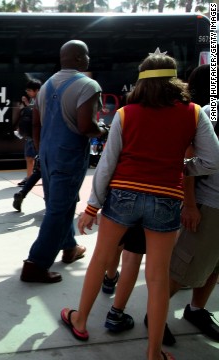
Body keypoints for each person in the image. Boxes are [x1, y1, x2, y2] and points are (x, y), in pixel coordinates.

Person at [62, 52, 219, 360]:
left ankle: (80, 320)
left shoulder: (126, 113)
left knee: (100, 259)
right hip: (167, 197)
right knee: (158, 278)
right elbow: (212, 160)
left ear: (141, 82)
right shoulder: (194, 113)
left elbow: (107, 165)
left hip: (124, 195)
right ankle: (153, 352)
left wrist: (93, 206)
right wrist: (181, 167)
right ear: (174, 80)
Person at [20, 40, 105, 283]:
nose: (89, 59)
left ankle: (69, 247)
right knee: (58, 209)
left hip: (47, 154)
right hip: (69, 155)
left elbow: (36, 124)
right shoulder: (88, 86)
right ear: (79, 58)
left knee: (62, 203)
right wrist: (103, 131)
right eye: (86, 55)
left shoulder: (45, 86)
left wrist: (41, 151)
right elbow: (86, 126)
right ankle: (36, 263)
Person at [167, 64, 219, 343]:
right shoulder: (208, 115)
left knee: (213, 267)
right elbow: (187, 160)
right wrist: (190, 204)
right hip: (210, 205)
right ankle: (156, 313)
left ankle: (197, 309)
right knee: (183, 269)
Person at [13, 79, 42, 212]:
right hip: (41, 139)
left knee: (39, 169)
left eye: (30, 90)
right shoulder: (42, 101)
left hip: (34, 137)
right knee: (46, 171)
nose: (29, 93)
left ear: (36, 90)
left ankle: (23, 192)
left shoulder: (38, 102)